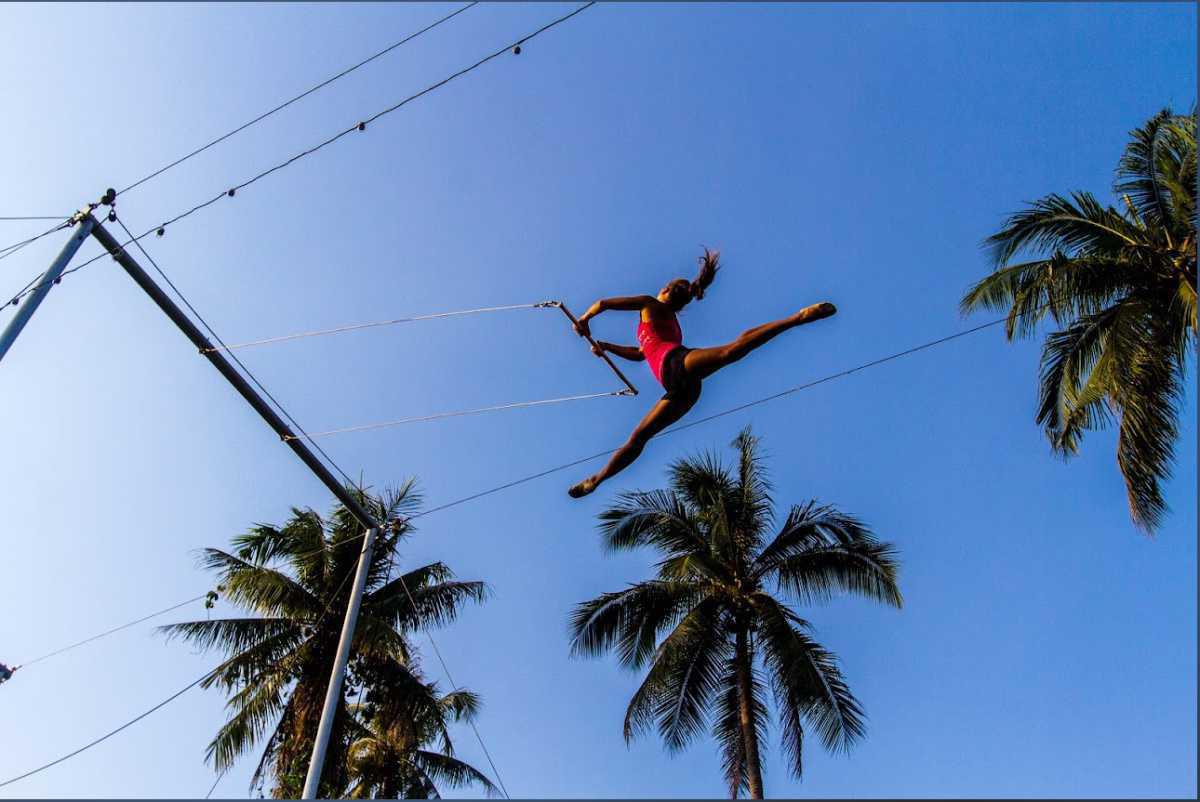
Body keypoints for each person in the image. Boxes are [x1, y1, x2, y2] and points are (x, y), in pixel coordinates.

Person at [568, 248, 836, 498]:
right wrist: (605, 346)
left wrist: (585, 319)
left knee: (730, 352)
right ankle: (597, 479)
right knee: (640, 436)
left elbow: (603, 303)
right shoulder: (667, 323)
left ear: (664, 290)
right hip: (681, 389)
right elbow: (641, 354)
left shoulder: (649, 304)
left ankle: (797, 318)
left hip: (677, 363)